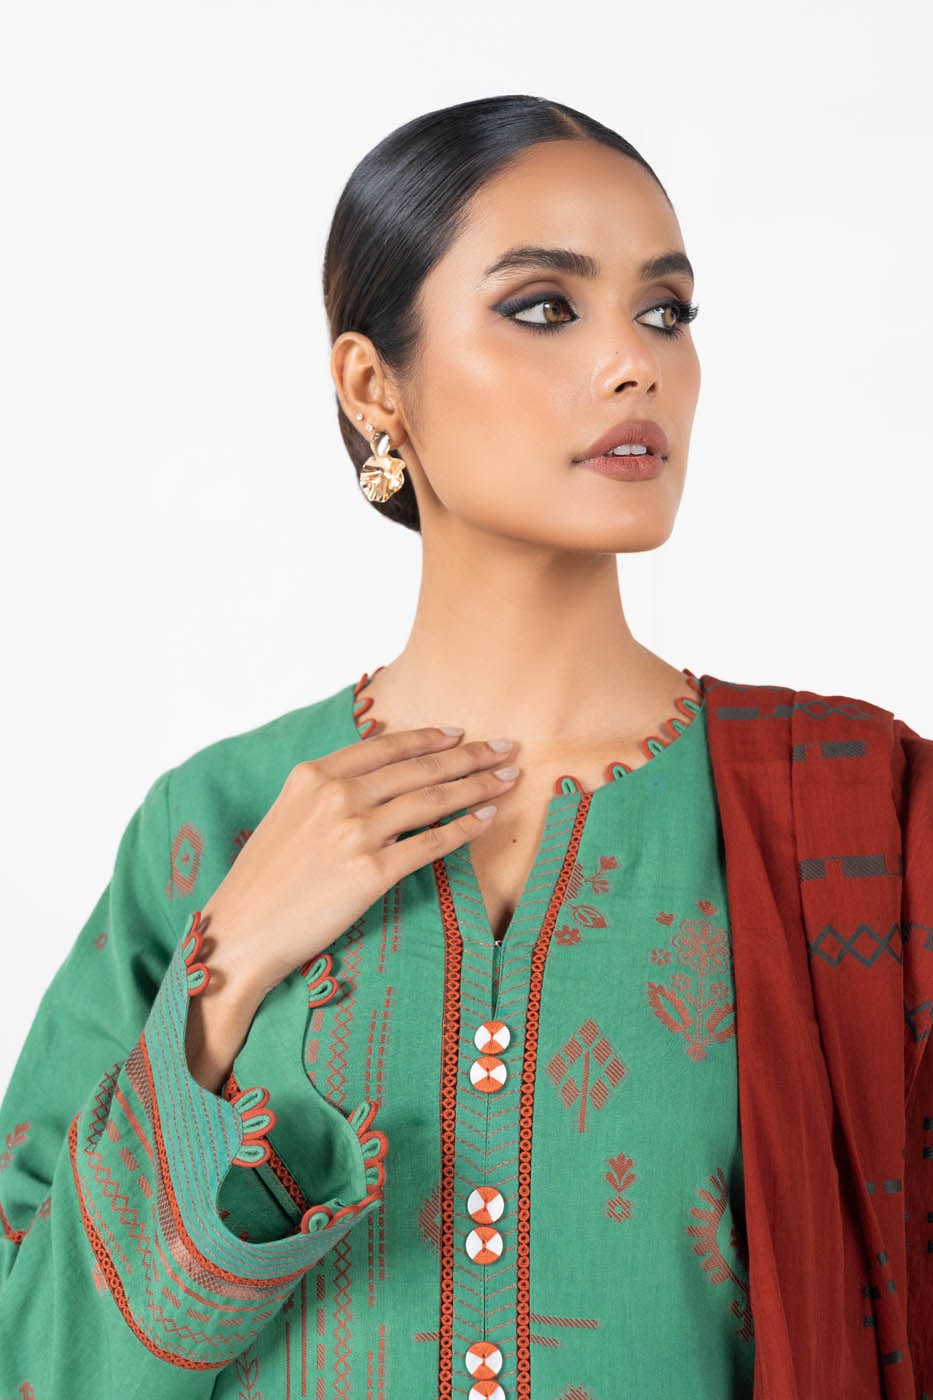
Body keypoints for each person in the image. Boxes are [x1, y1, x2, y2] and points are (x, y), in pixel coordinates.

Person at [0, 93, 929, 1400]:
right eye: (546, 307)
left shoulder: (864, 818)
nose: (634, 363)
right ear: (371, 384)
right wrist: (227, 975)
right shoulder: (215, 825)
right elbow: (33, 1355)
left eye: (665, 312)